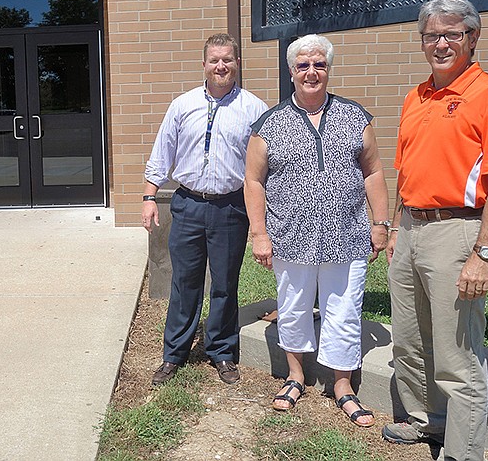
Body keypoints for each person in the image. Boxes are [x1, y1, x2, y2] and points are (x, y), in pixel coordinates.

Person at [382, 0, 488, 461]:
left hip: (457, 231)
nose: (440, 43)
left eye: (451, 34)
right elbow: (406, 171)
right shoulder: (414, 96)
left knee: (457, 353)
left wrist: (482, 254)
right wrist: (398, 227)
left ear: (473, 37)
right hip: (411, 230)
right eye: (431, 35)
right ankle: (428, 421)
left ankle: (462, 452)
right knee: (410, 339)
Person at [244, 34, 389, 427]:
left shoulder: (355, 116)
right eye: (303, 65)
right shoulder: (269, 123)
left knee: (343, 310)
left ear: (328, 69)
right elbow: (254, 180)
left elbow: (373, 171)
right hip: (291, 237)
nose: (312, 72)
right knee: (293, 307)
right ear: (291, 71)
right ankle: (296, 376)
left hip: (348, 234)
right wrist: (259, 233)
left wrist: (380, 223)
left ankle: (343, 385)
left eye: (319, 64)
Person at [142, 33, 268, 387]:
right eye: (215, 60)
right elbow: (162, 151)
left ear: (237, 64)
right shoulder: (182, 105)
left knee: (226, 284)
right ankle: (174, 354)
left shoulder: (254, 109)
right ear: (204, 64)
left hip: (231, 207)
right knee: (184, 282)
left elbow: (264, 166)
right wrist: (150, 196)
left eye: (227, 59)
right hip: (188, 203)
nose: (221, 66)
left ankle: (221, 352)